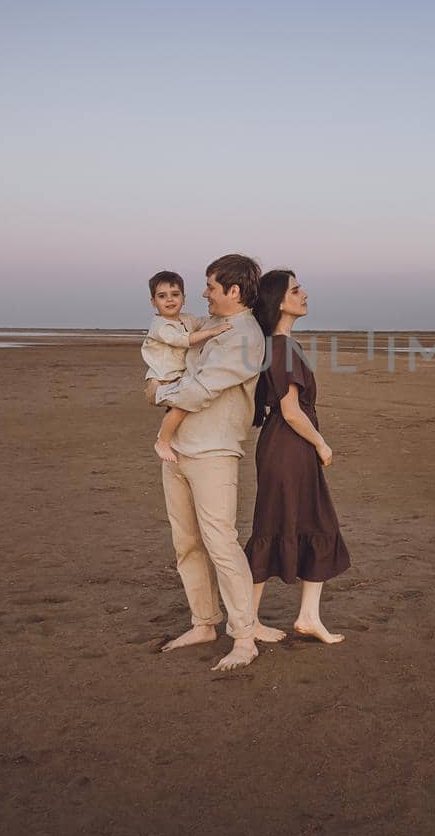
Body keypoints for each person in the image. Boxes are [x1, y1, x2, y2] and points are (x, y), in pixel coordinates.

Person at [149, 254, 282, 671]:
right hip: (179, 450)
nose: (203, 293)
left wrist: (157, 395)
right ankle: (204, 622)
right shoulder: (205, 327)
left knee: (221, 543)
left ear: (233, 291)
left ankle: (244, 635)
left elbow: (200, 389)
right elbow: (167, 360)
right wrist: (155, 383)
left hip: (215, 451)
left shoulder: (245, 337)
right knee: (185, 542)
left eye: (210, 286)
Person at [244, 269, 351, 645]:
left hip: (288, 448)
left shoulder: (283, 346)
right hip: (288, 447)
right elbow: (290, 411)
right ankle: (247, 621)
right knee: (275, 527)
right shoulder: (281, 347)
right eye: (295, 289)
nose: (304, 293)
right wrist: (321, 443)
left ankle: (307, 616)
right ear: (279, 301)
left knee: (311, 523)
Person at [142, 271, 232, 464]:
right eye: (162, 296)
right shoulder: (161, 326)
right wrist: (212, 332)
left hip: (176, 377)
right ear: (153, 302)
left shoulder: (186, 319)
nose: (169, 300)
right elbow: (184, 340)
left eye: (175, 294)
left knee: (189, 404)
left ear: (183, 298)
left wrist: (222, 316)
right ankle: (162, 441)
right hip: (161, 380)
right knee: (184, 404)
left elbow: (204, 322)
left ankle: (176, 439)